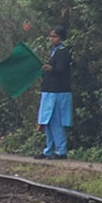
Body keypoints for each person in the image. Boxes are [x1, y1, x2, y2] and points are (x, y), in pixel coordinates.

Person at [37, 26, 73, 159]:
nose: (52, 39)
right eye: (51, 36)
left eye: (54, 36)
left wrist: (51, 69)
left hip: (58, 92)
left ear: (61, 38)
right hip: (49, 91)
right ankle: (48, 150)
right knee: (47, 122)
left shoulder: (63, 52)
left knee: (56, 122)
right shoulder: (52, 51)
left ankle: (61, 151)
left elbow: (61, 70)